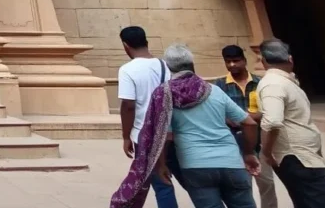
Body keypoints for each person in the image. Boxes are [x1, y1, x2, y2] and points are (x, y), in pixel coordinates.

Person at [112, 43, 261, 208]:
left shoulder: (166, 95)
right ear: (192, 64)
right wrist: (248, 153)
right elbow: (249, 122)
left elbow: (164, 134)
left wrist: (161, 165)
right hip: (232, 162)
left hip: (196, 166)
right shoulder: (214, 90)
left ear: (168, 67)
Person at [258, 38, 325, 208]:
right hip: (297, 158)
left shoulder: (281, 82)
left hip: (302, 157)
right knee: (322, 201)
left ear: (263, 61)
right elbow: (272, 122)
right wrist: (267, 152)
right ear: (290, 59)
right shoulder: (273, 84)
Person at [117, 26, 181, 208]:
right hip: (169, 131)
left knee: (161, 183)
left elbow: (128, 106)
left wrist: (125, 136)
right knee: (183, 178)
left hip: (145, 134)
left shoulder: (127, 70)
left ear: (125, 45)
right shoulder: (165, 66)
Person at [214, 45, 277, 208]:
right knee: (243, 186)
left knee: (267, 184)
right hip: (235, 143)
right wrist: (249, 117)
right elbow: (221, 114)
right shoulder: (220, 85)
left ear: (244, 60)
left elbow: (267, 111)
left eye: (236, 61)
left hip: (260, 140)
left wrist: (242, 117)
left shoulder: (259, 82)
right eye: (228, 62)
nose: (232, 65)